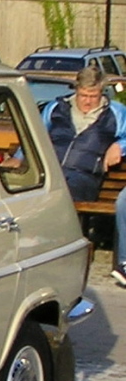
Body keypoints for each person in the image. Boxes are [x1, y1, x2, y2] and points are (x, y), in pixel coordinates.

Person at [40, 66, 126, 284]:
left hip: (84, 175)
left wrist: (120, 146)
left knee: (65, 193)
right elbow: (36, 136)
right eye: (83, 95)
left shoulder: (115, 113)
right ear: (76, 90)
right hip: (51, 171)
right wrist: (20, 159)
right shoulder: (56, 108)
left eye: (93, 96)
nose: (87, 101)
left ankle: (60, 254)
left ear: (102, 92)